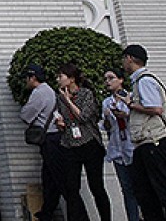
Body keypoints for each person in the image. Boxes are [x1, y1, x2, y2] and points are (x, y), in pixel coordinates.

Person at [55, 63, 110, 221]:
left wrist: (68, 101)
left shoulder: (86, 94)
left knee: (96, 187)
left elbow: (83, 117)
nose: (58, 80)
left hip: (89, 143)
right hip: (69, 143)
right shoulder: (59, 97)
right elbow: (64, 119)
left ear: (71, 79)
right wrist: (60, 124)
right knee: (71, 189)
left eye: (61, 76)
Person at [122, 44, 166, 220]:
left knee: (162, 187)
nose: (123, 64)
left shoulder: (145, 80)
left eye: (124, 59)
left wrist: (130, 104)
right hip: (144, 142)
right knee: (144, 190)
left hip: (154, 140)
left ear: (129, 58)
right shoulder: (139, 81)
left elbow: (155, 108)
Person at [19, 64, 65, 221]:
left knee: (55, 177)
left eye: (27, 77)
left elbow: (26, 114)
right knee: (49, 176)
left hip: (50, 139)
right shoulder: (49, 90)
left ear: (33, 78)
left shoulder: (40, 93)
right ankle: (47, 212)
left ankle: (56, 211)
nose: (26, 81)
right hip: (53, 137)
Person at [102, 68, 140, 221]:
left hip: (133, 147)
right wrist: (106, 119)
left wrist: (126, 115)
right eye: (106, 79)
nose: (107, 82)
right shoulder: (107, 102)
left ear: (121, 80)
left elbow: (138, 119)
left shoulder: (131, 98)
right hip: (117, 150)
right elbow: (107, 127)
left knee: (140, 187)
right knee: (127, 189)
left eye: (111, 78)